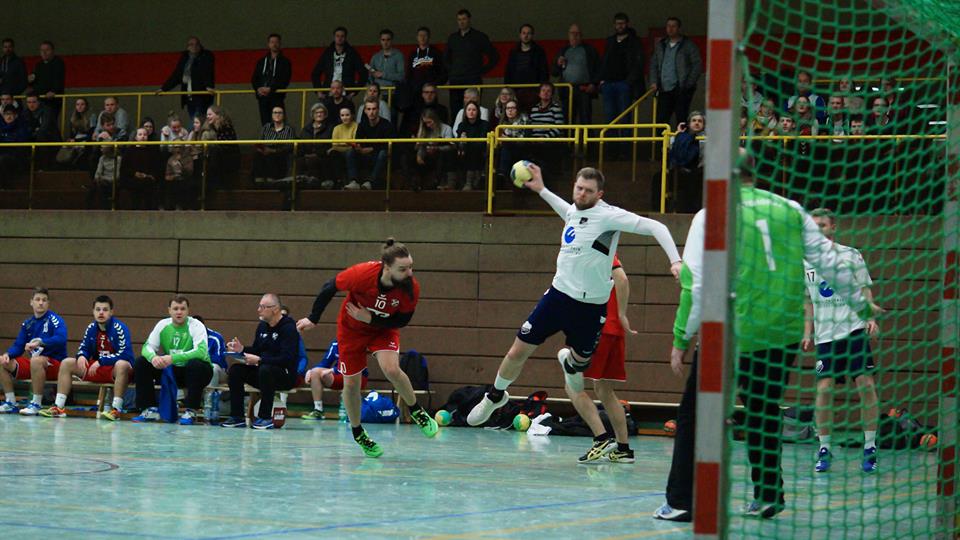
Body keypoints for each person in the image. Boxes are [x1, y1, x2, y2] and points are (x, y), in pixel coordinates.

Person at [654, 149, 880, 521]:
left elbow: (696, 285)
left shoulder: (710, 215)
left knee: (695, 414)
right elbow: (830, 262)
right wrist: (864, 307)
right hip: (781, 332)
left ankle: (681, 501)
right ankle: (768, 493)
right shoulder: (790, 209)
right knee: (763, 410)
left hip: (732, 332)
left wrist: (682, 338)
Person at [465, 165, 683, 467]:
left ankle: (571, 365)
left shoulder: (609, 216)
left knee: (580, 369)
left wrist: (675, 261)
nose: (581, 194)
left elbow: (657, 227)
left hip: (590, 308)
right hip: (557, 297)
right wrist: (541, 189)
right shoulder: (574, 211)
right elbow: (566, 210)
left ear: (600, 194)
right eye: (578, 188)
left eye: (588, 191)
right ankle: (495, 395)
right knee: (517, 350)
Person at [297, 238, 438, 457]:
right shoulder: (362, 274)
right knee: (351, 384)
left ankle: (416, 410)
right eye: (403, 269)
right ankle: (358, 433)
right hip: (351, 331)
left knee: (391, 369)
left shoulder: (410, 288)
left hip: (383, 329)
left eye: (411, 267)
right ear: (386, 267)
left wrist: (371, 319)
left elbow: (402, 321)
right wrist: (313, 318)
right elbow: (329, 287)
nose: (409, 273)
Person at [801, 209, 881, 474]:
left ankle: (870, 447)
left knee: (865, 385)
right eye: (814, 226)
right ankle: (824, 448)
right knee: (824, 390)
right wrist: (807, 332)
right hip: (826, 336)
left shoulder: (851, 255)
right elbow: (808, 301)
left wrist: (870, 317)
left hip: (853, 329)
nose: (818, 230)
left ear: (833, 228)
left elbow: (865, 290)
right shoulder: (805, 261)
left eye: (823, 225)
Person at [562, 254, 638, 463]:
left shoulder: (597, 251)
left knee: (572, 384)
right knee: (604, 390)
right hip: (614, 332)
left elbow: (622, 278)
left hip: (599, 328)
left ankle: (601, 439)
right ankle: (623, 449)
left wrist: (621, 313)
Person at [39, 295, 134, 420]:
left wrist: (101, 361)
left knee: (122, 364)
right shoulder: (91, 328)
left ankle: (116, 410)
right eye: (98, 309)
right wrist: (82, 356)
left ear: (111, 312)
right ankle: (59, 407)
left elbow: (125, 354)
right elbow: (83, 347)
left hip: (115, 370)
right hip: (97, 369)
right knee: (67, 363)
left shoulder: (119, 328)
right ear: (93, 311)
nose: (101, 313)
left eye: (105, 310)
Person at [219, 294, 299, 430]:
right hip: (263, 372)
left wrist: (260, 360)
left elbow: (287, 358)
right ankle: (237, 417)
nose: (258, 310)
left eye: (263, 307)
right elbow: (257, 350)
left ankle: (265, 417)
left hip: (284, 375)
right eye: (259, 306)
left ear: (275, 309)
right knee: (236, 370)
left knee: (266, 369)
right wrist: (242, 349)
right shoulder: (262, 326)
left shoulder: (289, 328)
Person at [132, 295, 212, 425]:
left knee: (195, 364)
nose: (179, 312)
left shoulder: (196, 325)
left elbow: (201, 352)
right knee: (141, 362)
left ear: (188, 310)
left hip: (198, 372)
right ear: (169, 310)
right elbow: (147, 347)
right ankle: (149, 409)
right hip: (172, 371)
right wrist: (154, 358)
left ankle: (191, 411)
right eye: (175, 309)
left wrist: (173, 358)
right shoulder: (163, 325)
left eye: (182, 309)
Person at [0, 287, 68, 415]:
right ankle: (10, 402)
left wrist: (41, 342)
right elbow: (18, 346)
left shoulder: (55, 320)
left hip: (55, 365)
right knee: (2, 361)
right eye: (37, 299)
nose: (41, 303)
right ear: (31, 302)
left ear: (48, 303)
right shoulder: (28, 324)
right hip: (35, 366)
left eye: (44, 300)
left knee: (36, 361)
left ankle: (36, 403)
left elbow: (61, 338)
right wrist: (8, 354)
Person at [648, 17, 703, 129]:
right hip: (663, 88)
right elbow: (653, 64)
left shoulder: (688, 45)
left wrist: (689, 83)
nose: (670, 29)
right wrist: (654, 82)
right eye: (668, 26)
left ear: (679, 28)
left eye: (673, 26)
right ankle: (661, 141)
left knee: (681, 118)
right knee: (661, 120)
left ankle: (681, 140)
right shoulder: (661, 45)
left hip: (681, 88)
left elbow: (697, 65)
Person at [445, 9, 500, 116]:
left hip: (473, 79)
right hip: (456, 80)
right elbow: (445, 58)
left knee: (473, 109)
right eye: (459, 19)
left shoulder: (479, 37)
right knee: (455, 109)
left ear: (469, 20)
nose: (461, 22)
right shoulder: (452, 38)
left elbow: (494, 57)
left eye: (464, 19)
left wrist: (482, 71)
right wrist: (452, 71)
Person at [301, 340, 370, 420]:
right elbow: (325, 363)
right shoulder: (335, 344)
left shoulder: (355, 343)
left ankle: (351, 413)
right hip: (340, 376)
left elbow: (353, 365)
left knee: (348, 376)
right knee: (315, 372)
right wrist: (311, 371)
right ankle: (318, 410)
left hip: (357, 377)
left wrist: (333, 370)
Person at [599, 13, 644, 124]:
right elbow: (605, 61)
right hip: (608, 83)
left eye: (622, 23)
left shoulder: (634, 41)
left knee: (625, 116)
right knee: (609, 117)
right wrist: (602, 80)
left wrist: (629, 82)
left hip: (624, 83)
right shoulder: (610, 41)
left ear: (627, 24)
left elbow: (639, 63)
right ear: (614, 25)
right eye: (617, 23)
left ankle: (625, 137)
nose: (620, 26)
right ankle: (611, 137)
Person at [159, 36, 215, 121]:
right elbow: (177, 75)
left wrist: (208, 85)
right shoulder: (185, 58)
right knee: (196, 121)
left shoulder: (206, 55)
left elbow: (206, 70)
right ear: (187, 47)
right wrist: (164, 89)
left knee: (197, 121)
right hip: (189, 96)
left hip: (202, 95)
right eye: (191, 44)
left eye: (197, 44)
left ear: (200, 45)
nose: (194, 46)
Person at [345, 97, 395, 190]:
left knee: (383, 153)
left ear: (378, 110)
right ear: (365, 111)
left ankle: (371, 182)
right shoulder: (362, 124)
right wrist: (357, 147)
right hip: (365, 154)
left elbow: (388, 145)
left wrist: (371, 149)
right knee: (350, 152)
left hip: (378, 155)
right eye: (368, 109)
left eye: (374, 109)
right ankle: (353, 181)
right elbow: (358, 140)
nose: (371, 112)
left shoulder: (386, 124)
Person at [554, 24, 600, 125]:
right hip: (567, 89)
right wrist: (558, 64)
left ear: (581, 35)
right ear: (568, 35)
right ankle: (568, 136)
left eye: (577, 33)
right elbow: (554, 72)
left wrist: (593, 84)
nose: (574, 36)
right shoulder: (563, 50)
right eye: (572, 33)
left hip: (584, 89)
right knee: (568, 118)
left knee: (585, 118)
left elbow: (598, 69)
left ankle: (587, 136)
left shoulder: (589, 50)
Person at [504, 23, 549, 111]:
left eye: (528, 33)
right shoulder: (513, 52)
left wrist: (540, 90)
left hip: (534, 91)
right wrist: (508, 90)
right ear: (520, 35)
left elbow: (544, 72)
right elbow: (508, 72)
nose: (526, 36)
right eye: (524, 33)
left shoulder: (539, 52)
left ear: (532, 35)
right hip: (516, 91)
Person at [251, 33, 292, 126]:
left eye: (276, 42)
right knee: (265, 123)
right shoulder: (262, 61)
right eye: (272, 42)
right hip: (263, 98)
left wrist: (271, 89)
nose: (274, 44)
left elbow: (285, 80)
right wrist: (258, 89)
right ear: (268, 44)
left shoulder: (285, 62)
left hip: (277, 97)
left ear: (280, 44)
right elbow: (254, 78)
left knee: (278, 122)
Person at [118, 127, 162, 210]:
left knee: (149, 184)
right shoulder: (129, 151)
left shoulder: (152, 151)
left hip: (147, 178)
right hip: (132, 177)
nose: (143, 136)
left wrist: (149, 175)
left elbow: (156, 167)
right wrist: (134, 173)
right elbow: (124, 168)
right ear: (136, 137)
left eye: (145, 135)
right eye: (140, 134)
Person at [411, 108, 454, 190]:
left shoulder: (446, 128)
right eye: (425, 123)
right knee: (409, 156)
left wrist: (437, 148)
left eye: (430, 122)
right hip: (426, 155)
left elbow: (451, 146)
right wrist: (419, 155)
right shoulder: (425, 130)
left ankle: (438, 182)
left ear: (435, 120)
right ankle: (415, 184)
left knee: (444, 156)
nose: (428, 125)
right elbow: (421, 145)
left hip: (440, 154)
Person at [311, 27, 366, 92]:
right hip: (329, 92)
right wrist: (318, 91)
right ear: (334, 37)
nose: (340, 38)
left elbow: (363, 73)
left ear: (345, 38)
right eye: (337, 36)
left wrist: (354, 92)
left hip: (346, 92)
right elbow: (315, 73)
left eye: (342, 36)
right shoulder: (327, 54)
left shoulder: (352, 53)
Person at [252, 106, 295, 183]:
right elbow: (260, 141)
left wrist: (273, 150)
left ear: (283, 115)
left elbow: (290, 146)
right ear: (272, 115)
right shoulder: (266, 127)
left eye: (280, 113)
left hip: (280, 153)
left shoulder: (289, 129)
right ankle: (259, 181)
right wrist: (261, 149)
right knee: (257, 156)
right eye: (275, 113)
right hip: (265, 151)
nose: (277, 115)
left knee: (271, 157)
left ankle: (271, 181)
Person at [455, 100, 489, 191]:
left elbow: (482, 142)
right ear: (465, 112)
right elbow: (458, 142)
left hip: (481, 150)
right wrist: (461, 141)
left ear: (478, 112)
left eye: (474, 110)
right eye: (469, 109)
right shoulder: (462, 125)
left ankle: (469, 182)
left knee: (473, 150)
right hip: (465, 151)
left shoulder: (484, 124)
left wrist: (467, 141)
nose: (471, 112)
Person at [298, 102, 334, 187]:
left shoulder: (330, 128)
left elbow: (329, 145)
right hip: (306, 154)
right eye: (316, 112)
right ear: (313, 115)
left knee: (314, 160)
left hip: (322, 155)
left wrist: (317, 154)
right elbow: (301, 143)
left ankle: (315, 184)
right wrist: (305, 154)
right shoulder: (306, 129)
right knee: (298, 160)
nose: (319, 114)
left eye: (321, 112)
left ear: (325, 114)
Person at [28, 41, 65, 118]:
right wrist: (30, 81)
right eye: (42, 50)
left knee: (49, 120)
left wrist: (54, 91)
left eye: (47, 50)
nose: (44, 52)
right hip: (39, 99)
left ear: (53, 51)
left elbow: (59, 80)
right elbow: (34, 79)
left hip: (52, 100)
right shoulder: (38, 65)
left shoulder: (58, 63)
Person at [368, 29, 405, 97]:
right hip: (377, 94)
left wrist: (383, 75)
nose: (385, 42)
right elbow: (370, 76)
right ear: (380, 41)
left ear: (392, 41)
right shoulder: (375, 57)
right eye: (383, 40)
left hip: (393, 93)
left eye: (388, 40)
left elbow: (401, 76)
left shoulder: (398, 56)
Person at [329, 106, 359, 187]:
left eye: (347, 115)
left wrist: (341, 143)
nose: (345, 117)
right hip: (341, 151)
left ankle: (353, 181)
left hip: (353, 151)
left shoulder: (356, 126)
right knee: (333, 153)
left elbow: (355, 143)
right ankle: (338, 181)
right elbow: (334, 145)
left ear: (352, 116)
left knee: (350, 153)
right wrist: (347, 142)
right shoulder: (336, 128)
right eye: (342, 115)